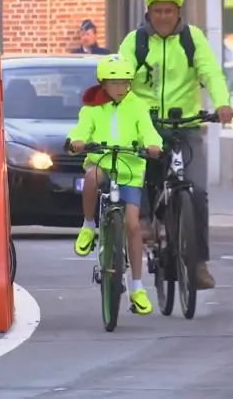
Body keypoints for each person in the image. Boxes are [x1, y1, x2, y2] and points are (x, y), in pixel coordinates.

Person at [118, 0, 233, 290]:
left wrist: (222, 103)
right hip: (147, 124)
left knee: (196, 190)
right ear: (149, 11)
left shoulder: (192, 40)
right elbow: (120, 75)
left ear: (179, 12)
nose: (164, 16)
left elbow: (211, 73)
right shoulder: (136, 41)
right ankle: (143, 220)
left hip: (186, 125)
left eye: (169, 11)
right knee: (137, 169)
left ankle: (198, 263)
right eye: (158, 11)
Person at [68, 54, 163, 315]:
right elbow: (81, 130)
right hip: (102, 162)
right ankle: (88, 225)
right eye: (114, 82)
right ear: (103, 83)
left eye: (124, 82)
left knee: (133, 226)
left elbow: (148, 130)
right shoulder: (91, 107)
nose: (120, 87)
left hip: (130, 170)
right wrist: (76, 141)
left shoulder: (137, 106)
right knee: (90, 177)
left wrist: (154, 145)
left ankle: (136, 287)